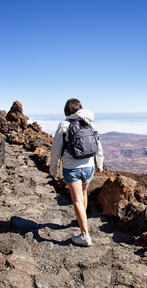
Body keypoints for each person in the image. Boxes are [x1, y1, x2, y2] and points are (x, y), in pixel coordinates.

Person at [49, 98, 104, 246]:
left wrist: (53, 169)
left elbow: (55, 150)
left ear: (66, 111)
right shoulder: (89, 123)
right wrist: (99, 164)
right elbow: (98, 145)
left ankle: (85, 235)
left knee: (77, 199)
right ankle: (82, 220)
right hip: (89, 167)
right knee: (84, 194)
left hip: (72, 168)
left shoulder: (64, 124)